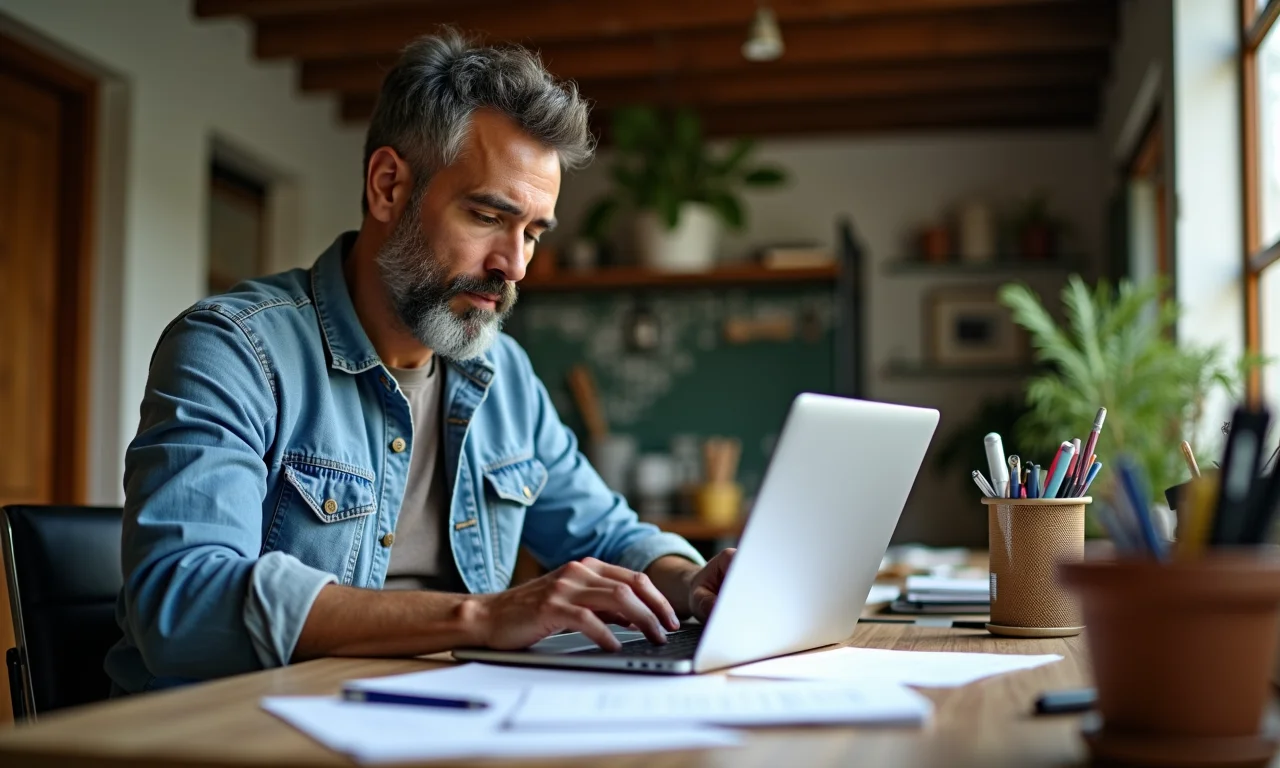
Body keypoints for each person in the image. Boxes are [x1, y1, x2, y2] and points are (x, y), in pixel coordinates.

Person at [105, 31, 735, 694]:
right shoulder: (233, 349)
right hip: (239, 731)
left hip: (441, 719)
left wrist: (687, 580)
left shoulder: (506, 376)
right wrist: (482, 617)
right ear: (388, 186)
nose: (514, 265)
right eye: (489, 215)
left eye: (533, 233)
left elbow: (607, 533)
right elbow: (180, 602)